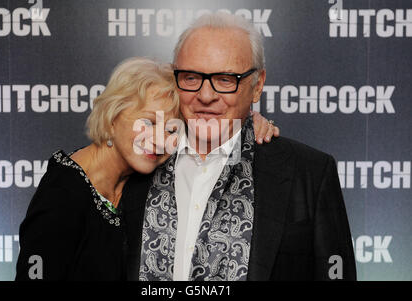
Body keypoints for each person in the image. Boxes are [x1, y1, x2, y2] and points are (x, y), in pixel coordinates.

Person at [122, 13, 357, 281]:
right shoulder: (136, 159)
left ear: (257, 86)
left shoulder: (310, 173)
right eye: (191, 77)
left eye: (225, 79)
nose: (206, 96)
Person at [15, 57, 279, 280]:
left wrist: (250, 121)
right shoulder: (63, 194)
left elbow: (213, 126)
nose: (159, 140)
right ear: (113, 114)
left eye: (171, 129)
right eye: (149, 122)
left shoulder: (139, 177)